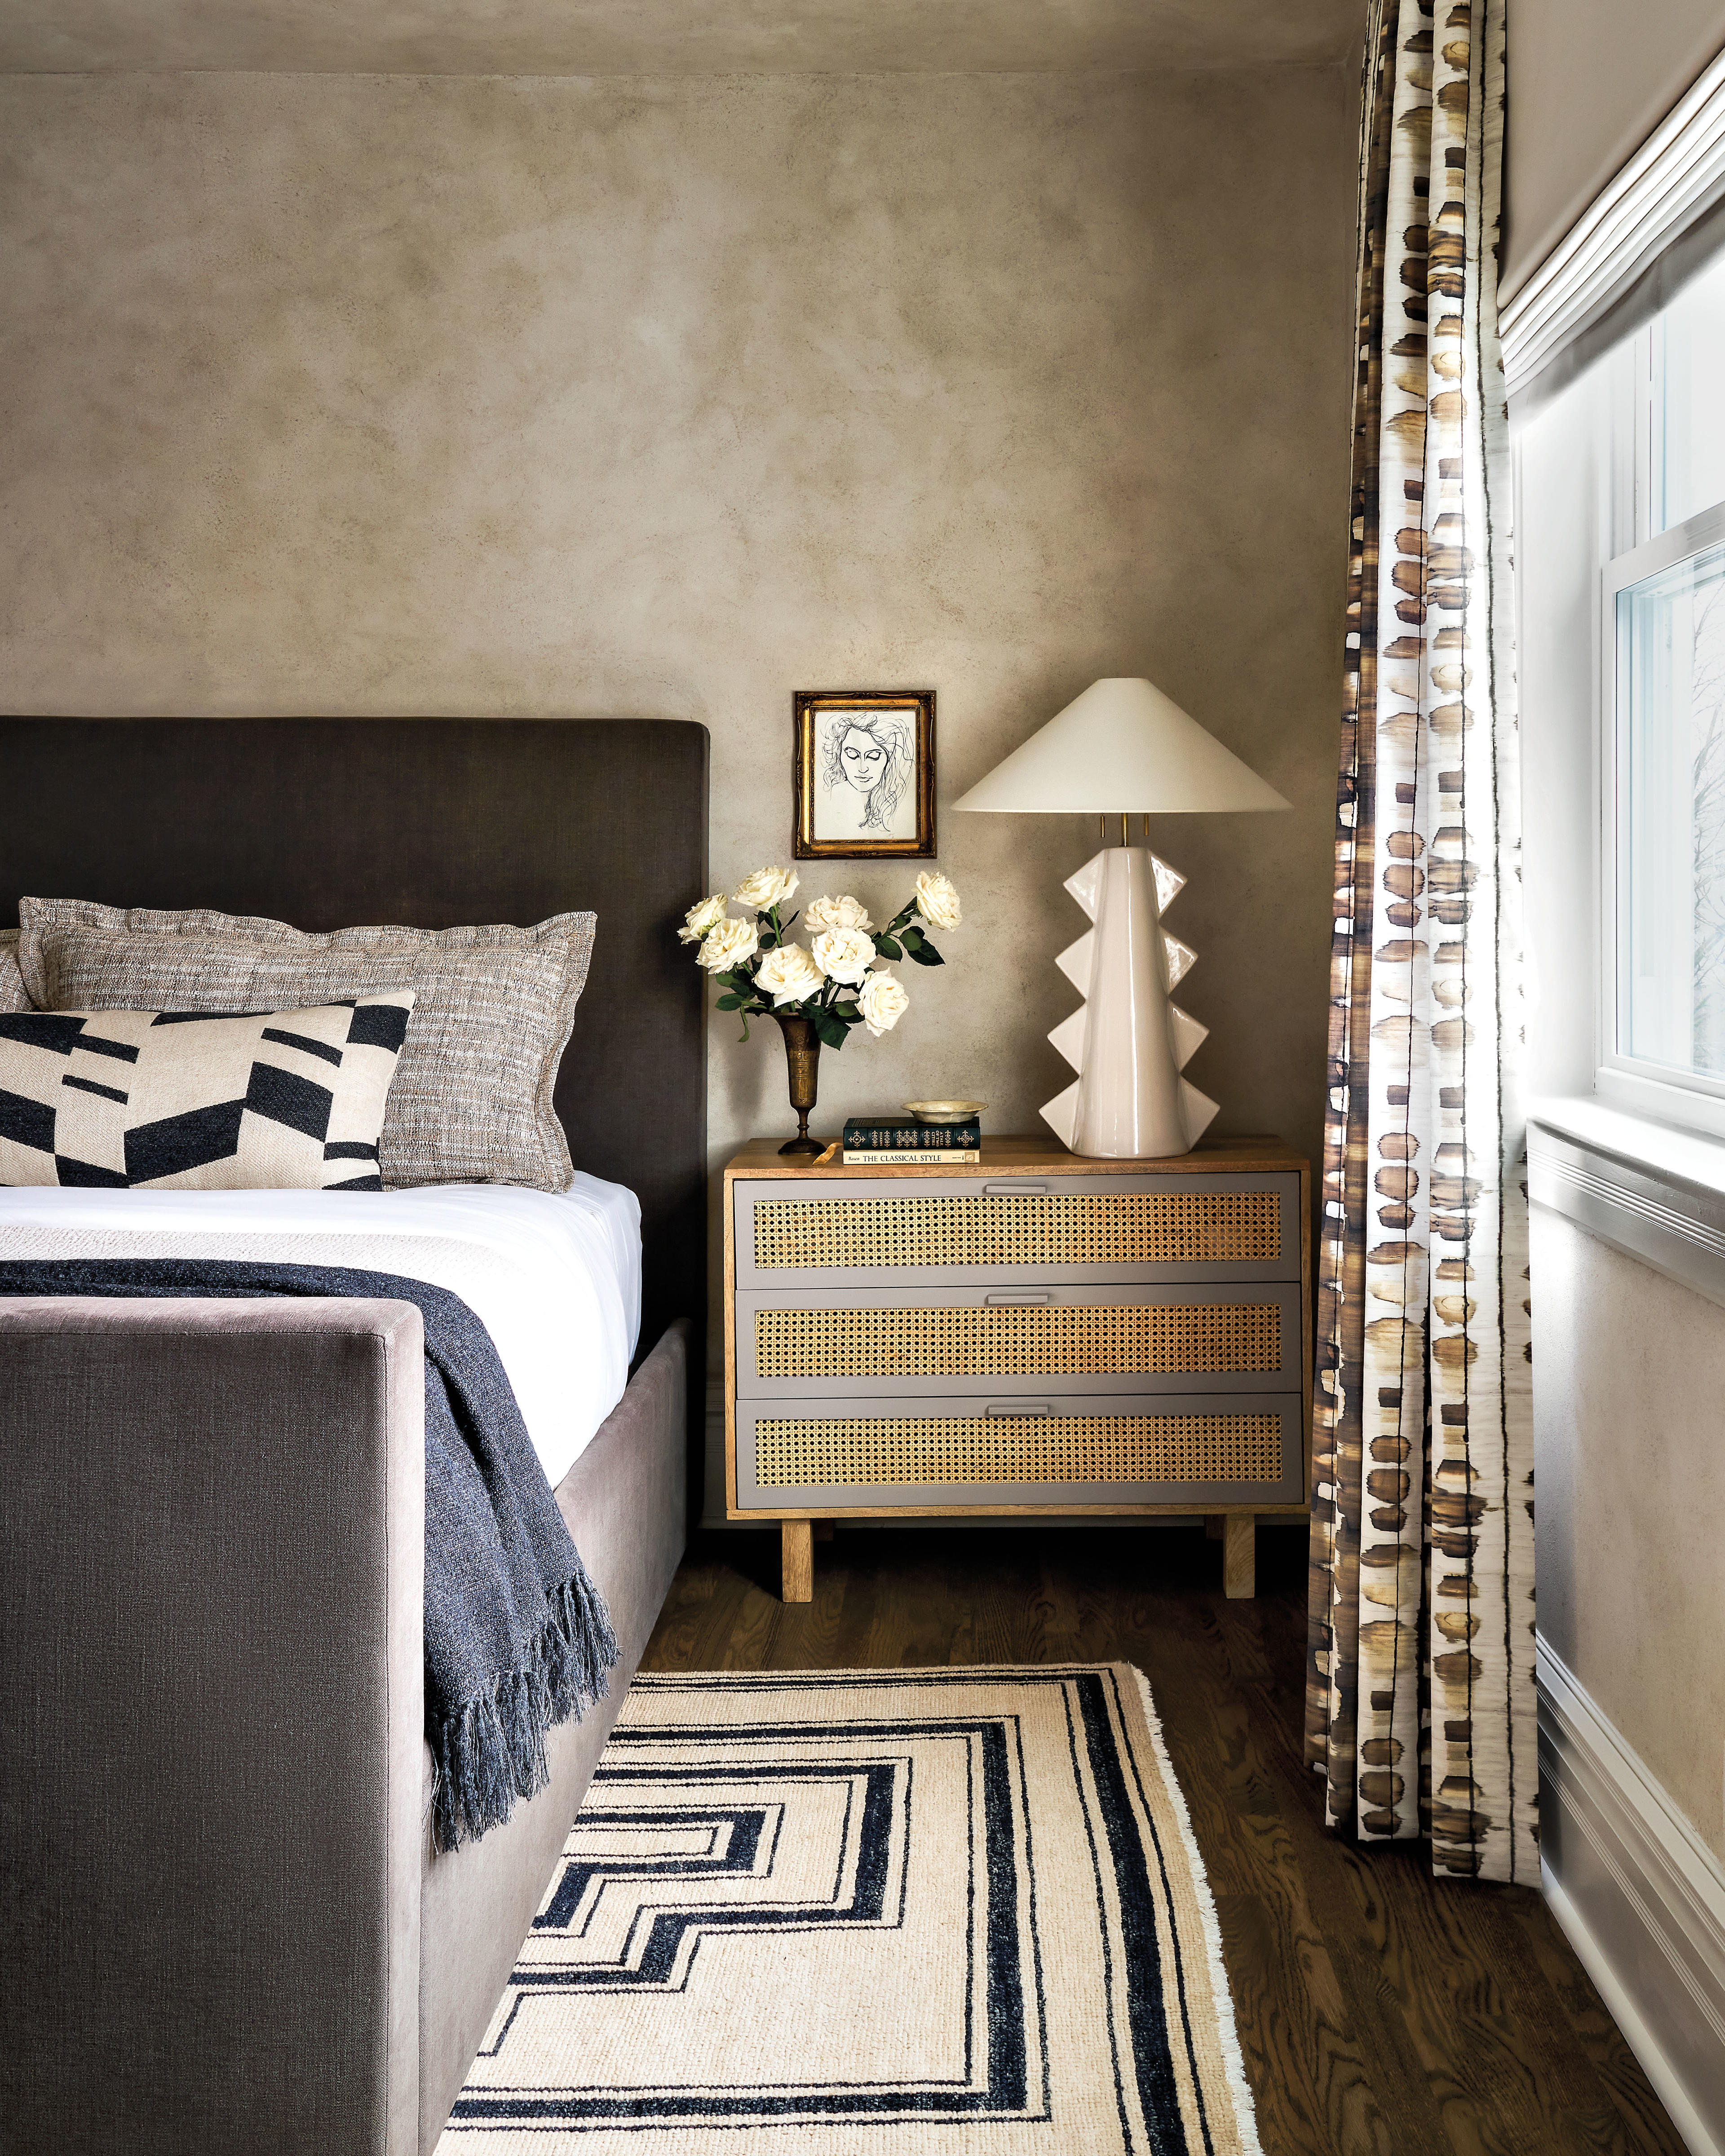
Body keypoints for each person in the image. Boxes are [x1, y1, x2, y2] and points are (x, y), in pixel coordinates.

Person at [819, 711, 915, 839]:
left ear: (891, 759)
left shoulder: (905, 804)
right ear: (839, 754)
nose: (862, 768)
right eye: (852, 755)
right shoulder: (829, 798)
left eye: (874, 756)